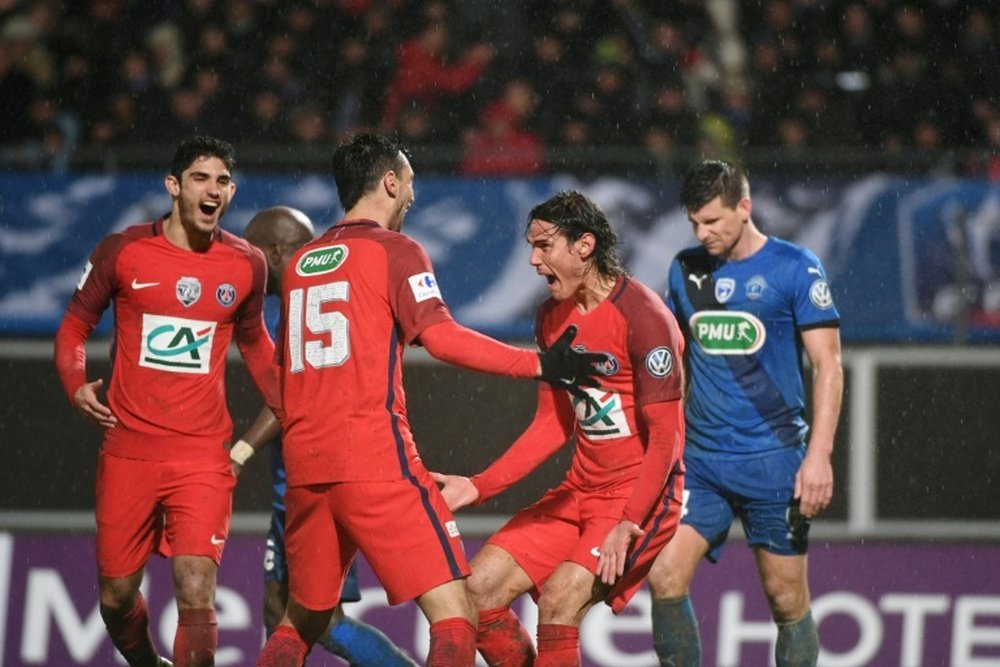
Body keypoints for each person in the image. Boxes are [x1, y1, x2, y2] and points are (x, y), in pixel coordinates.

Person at [255, 133, 606, 667]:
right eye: (410, 183)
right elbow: (441, 338)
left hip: (305, 467)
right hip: (375, 460)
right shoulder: (395, 250)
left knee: (300, 620)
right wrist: (538, 363)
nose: (413, 197)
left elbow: (282, 376)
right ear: (390, 182)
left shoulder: (301, 263)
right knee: (455, 618)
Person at [432, 190, 688, 666]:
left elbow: (668, 442)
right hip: (580, 490)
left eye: (544, 245)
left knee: (559, 601)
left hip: (640, 499)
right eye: (531, 246)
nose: (532, 260)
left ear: (584, 246)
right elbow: (553, 425)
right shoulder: (551, 316)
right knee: (478, 591)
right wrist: (479, 486)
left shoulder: (647, 320)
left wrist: (628, 521)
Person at [53, 135, 281, 667]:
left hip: (202, 455)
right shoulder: (123, 251)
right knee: (114, 598)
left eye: (223, 181)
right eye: (201, 178)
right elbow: (74, 326)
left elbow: (255, 345)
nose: (213, 190)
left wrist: (297, 404)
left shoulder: (246, 265)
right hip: (129, 453)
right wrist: (75, 383)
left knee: (196, 587)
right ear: (174, 186)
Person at [648, 159, 844, 667]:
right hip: (703, 464)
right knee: (664, 575)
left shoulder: (795, 268)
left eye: (713, 221)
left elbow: (829, 365)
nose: (702, 232)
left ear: (745, 208)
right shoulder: (685, 269)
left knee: (786, 600)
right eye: (695, 223)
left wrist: (818, 456)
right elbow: (679, 360)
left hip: (774, 462)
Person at [234, 206, 416, 666]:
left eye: (253, 253)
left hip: (313, 483)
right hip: (302, 481)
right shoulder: (320, 294)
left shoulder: (300, 301)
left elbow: (288, 399)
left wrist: (238, 452)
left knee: (320, 621)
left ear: (275, 252)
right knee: (281, 613)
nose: (248, 267)